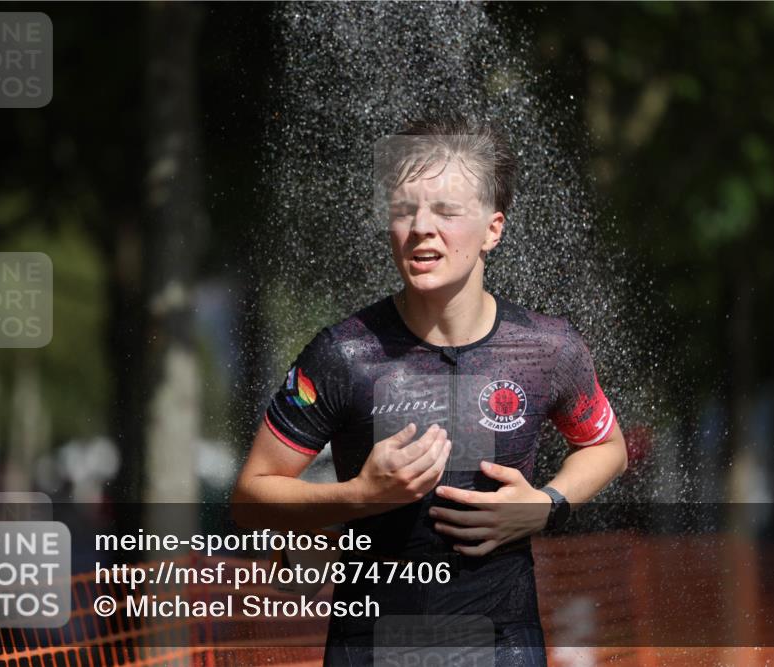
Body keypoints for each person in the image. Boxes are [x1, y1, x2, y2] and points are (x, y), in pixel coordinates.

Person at [232, 113, 628, 666]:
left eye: (446, 211)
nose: (421, 227)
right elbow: (252, 496)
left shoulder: (548, 348)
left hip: (504, 648)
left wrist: (546, 504)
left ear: (494, 228)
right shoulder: (343, 353)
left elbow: (607, 447)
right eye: (404, 210)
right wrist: (361, 497)